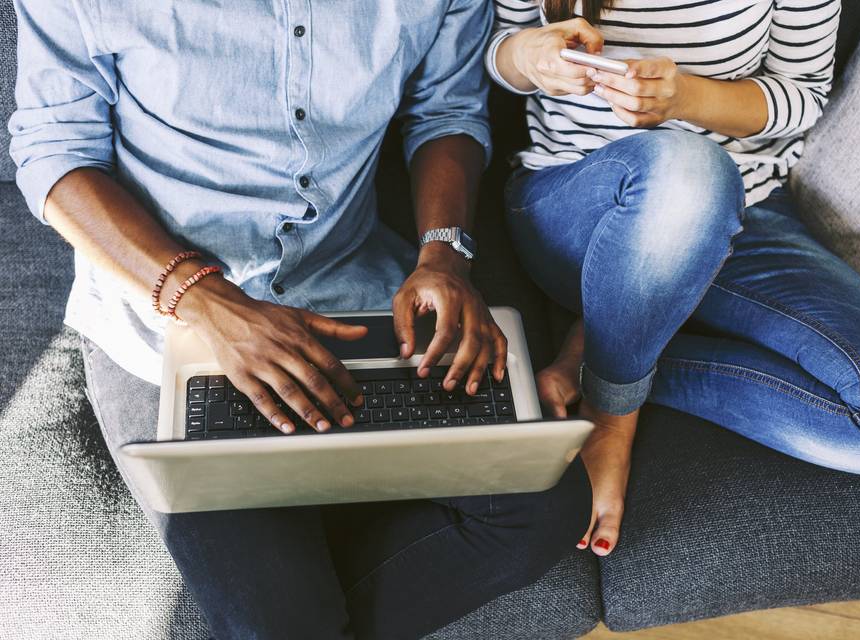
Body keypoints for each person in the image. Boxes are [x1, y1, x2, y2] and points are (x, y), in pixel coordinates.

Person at [9, 1, 592, 637]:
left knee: (545, 511)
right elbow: (54, 154)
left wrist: (445, 256)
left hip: (354, 287)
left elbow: (446, 111)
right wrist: (205, 300)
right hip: (167, 322)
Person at [487, 0, 860, 558]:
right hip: (580, 210)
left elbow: (800, 96)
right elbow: (497, 55)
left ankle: (610, 351)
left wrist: (687, 97)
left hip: (748, 210)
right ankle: (612, 409)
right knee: (687, 168)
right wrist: (529, 56)